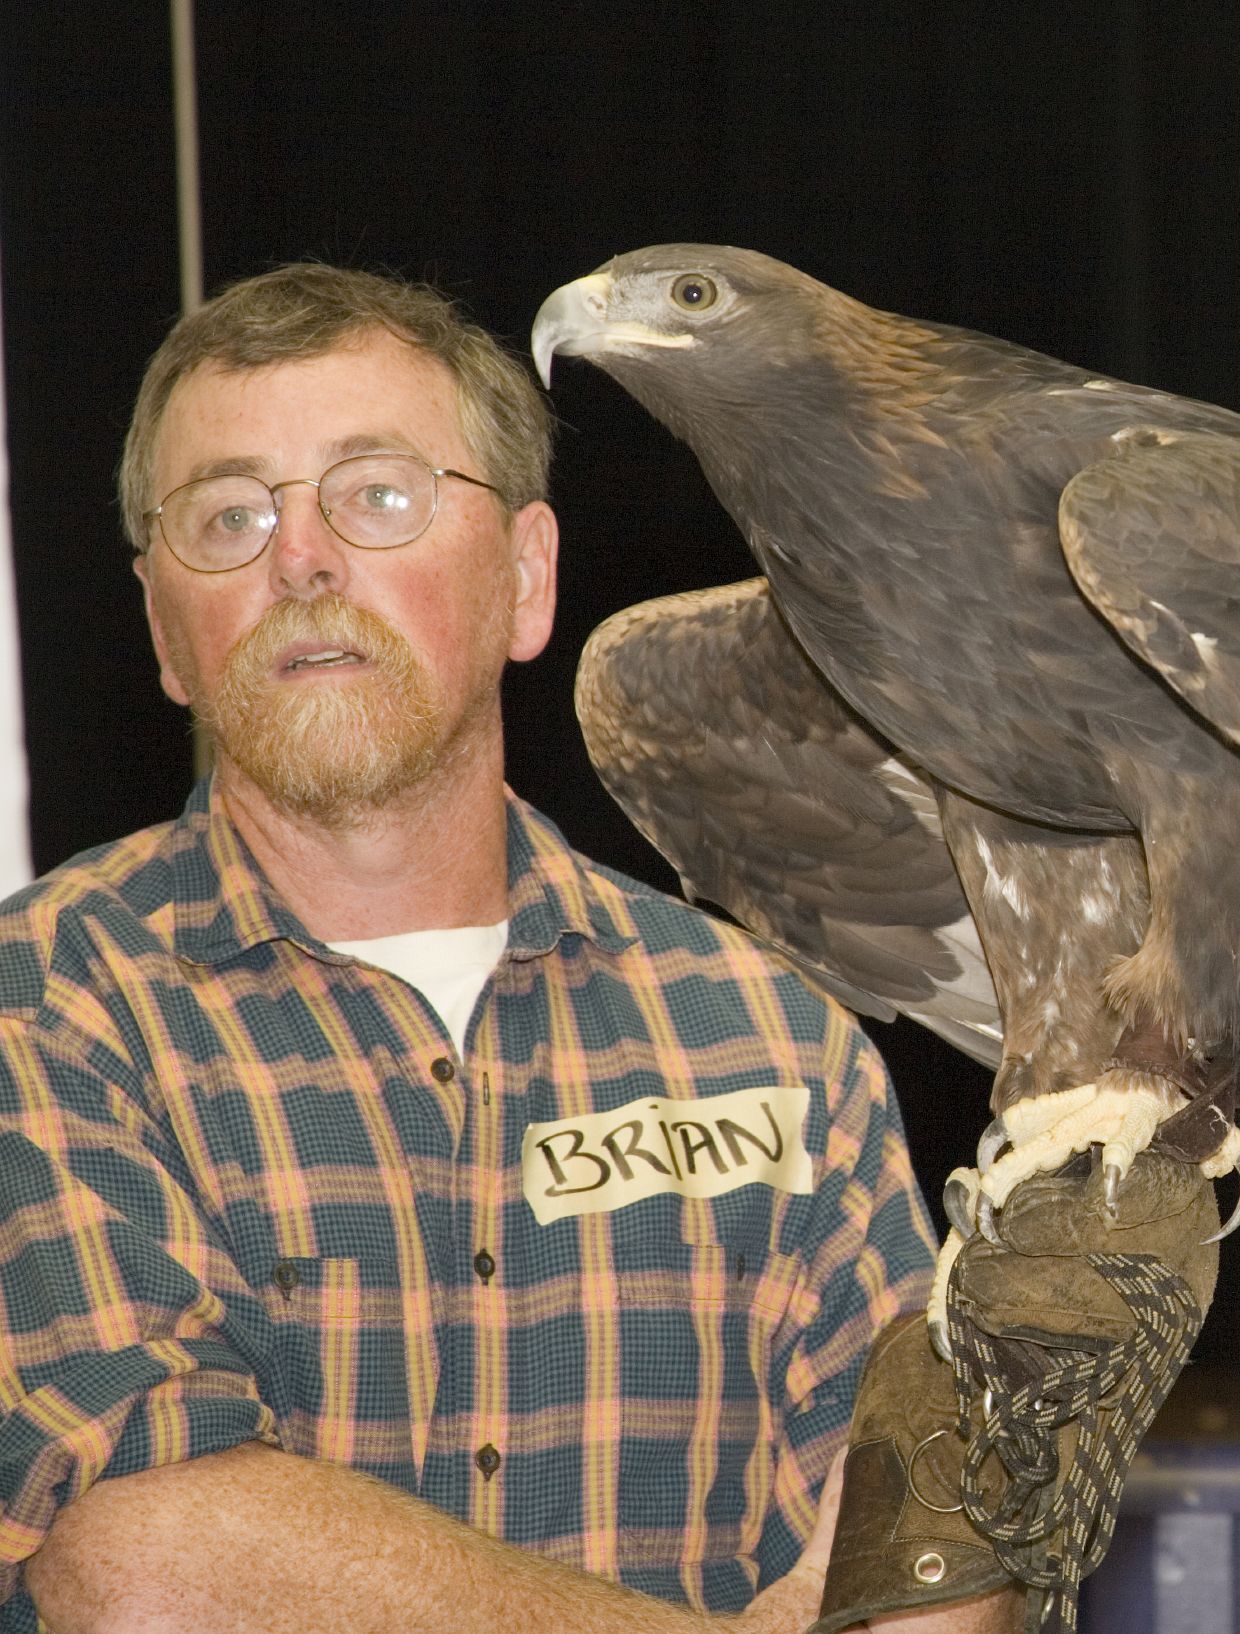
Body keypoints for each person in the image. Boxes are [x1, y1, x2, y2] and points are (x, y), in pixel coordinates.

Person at [0, 263, 1012, 1632]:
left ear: (527, 577)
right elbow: (152, 1566)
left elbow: (921, 1564)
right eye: (228, 514)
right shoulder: (52, 1006)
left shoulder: (772, 1038)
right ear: (163, 629)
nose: (300, 557)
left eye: (379, 493)